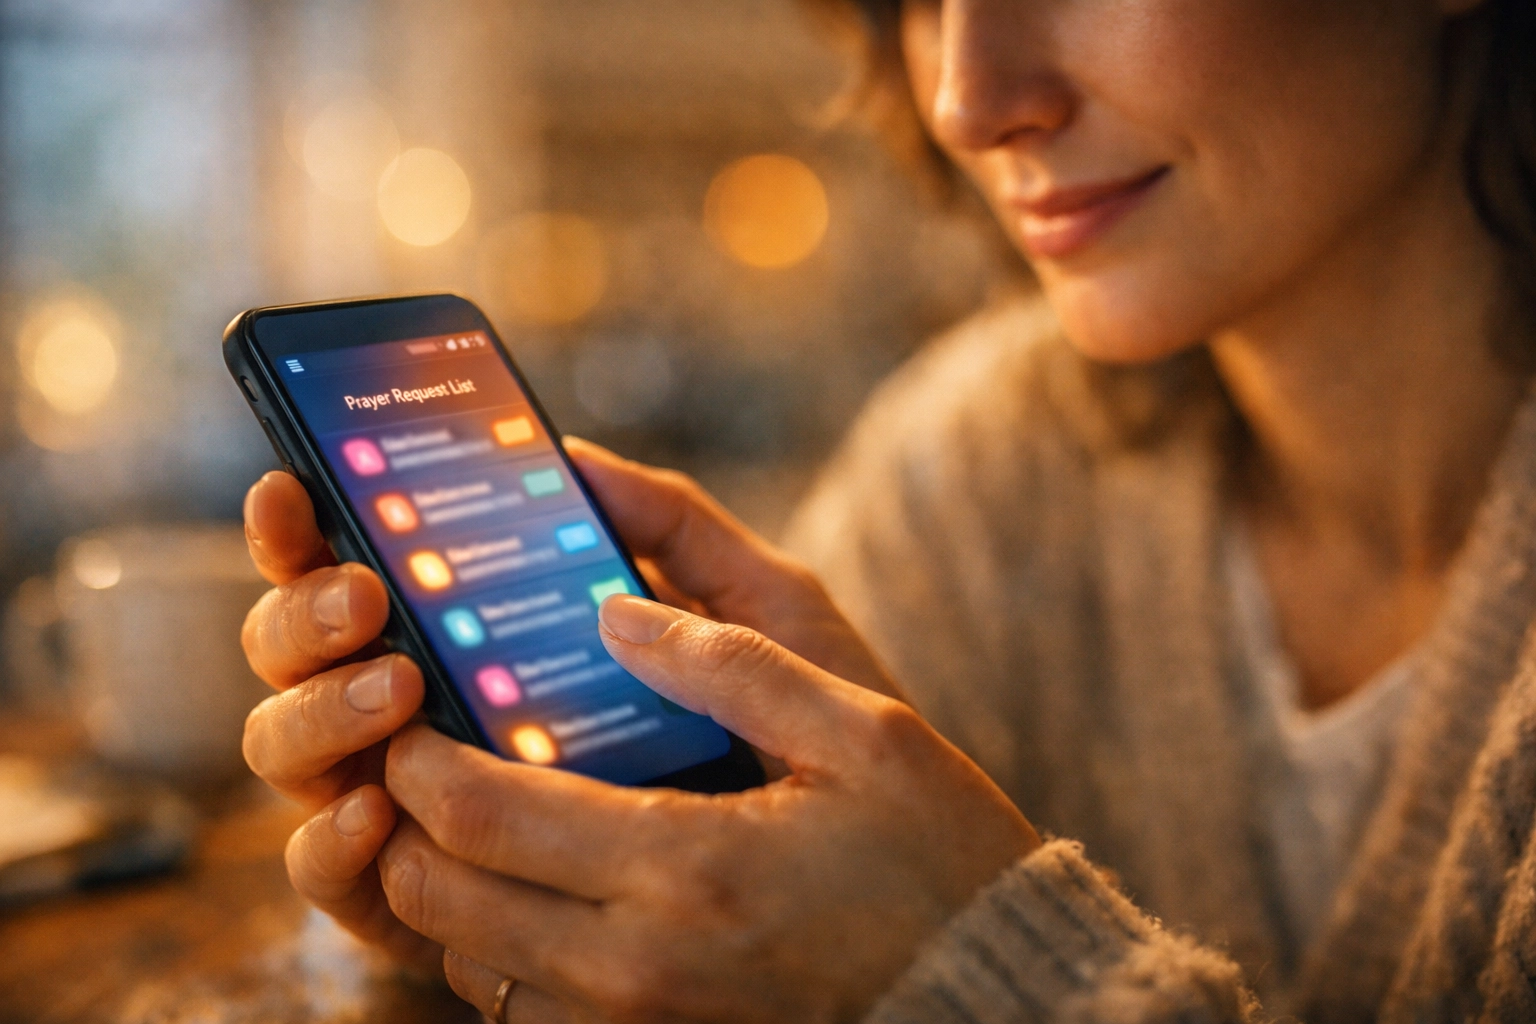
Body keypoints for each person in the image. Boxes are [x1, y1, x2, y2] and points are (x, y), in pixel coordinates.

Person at [238, 0, 1536, 1020]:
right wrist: (521, 932)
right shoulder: (982, 466)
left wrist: (970, 984)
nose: (967, 96)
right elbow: (723, 945)